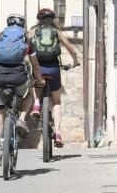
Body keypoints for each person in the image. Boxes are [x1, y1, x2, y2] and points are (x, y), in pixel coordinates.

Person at [0, 13, 39, 167]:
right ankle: (21, 119)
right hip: (19, 77)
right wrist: (40, 80)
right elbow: (35, 65)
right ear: (23, 25)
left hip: (0, 78)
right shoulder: (26, 40)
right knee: (29, 93)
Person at [28, 8, 80, 147]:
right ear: (53, 19)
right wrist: (75, 61)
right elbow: (71, 49)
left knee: (36, 82)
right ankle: (57, 133)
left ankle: (37, 104)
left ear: (39, 20)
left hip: (38, 67)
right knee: (56, 101)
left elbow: (24, 45)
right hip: (53, 69)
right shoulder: (57, 32)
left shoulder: (34, 32)